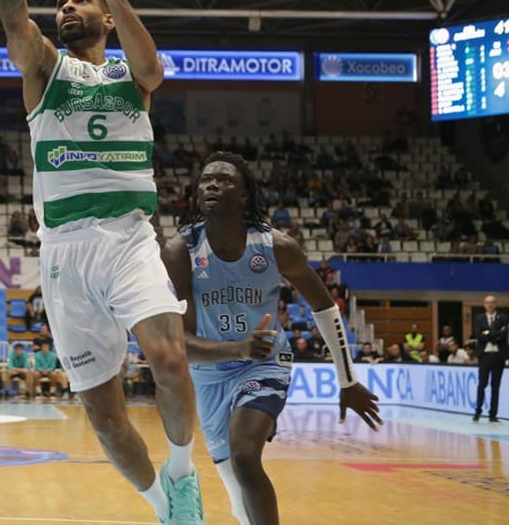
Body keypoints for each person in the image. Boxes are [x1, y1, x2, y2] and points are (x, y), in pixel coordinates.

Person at [0, 0, 201, 522]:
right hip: (66, 252)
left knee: (166, 355)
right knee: (105, 421)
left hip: (130, 238)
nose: (66, 7)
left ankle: (184, 470)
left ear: (105, 15)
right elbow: (12, 12)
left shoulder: (129, 77)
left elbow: (154, 68)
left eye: (80, 0)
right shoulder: (45, 71)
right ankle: (167, 508)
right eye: (63, 2)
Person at [162, 152, 381, 525]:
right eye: (205, 180)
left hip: (265, 363)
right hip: (210, 372)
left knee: (246, 457)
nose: (212, 184)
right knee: (236, 489)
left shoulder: (277, 247)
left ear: (245, 195)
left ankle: (259, 410)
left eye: (225, 180)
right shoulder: (181, 251)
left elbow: (325, 308)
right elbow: (179, 341)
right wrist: (237, 348)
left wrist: (347, 381)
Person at [473, 295, 508, 422]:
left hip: (499, 355)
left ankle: (493, 415)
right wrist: (496, 333)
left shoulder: (502, 317)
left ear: (496, 304)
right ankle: (478, 411)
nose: (490, 305)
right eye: (487, 302)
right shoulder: (479, 318)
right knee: (482, 384)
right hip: (485, 355)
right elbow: (478, 335)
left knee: (495, 386)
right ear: (484, 304)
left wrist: (487, 333)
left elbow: (504, 335)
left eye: (492, 302)